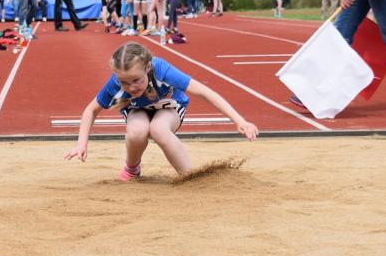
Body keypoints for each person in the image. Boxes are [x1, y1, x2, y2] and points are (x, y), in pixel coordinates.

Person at [64, 41, 258, 180]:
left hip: (170, 107)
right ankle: (132, 169)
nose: (131, 87)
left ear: (148, 68)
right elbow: (91, 110)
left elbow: (203, 92)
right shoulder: (115, 83)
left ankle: (189, 176)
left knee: (158, 129)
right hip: (136, 110)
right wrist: (81, 144)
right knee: (137, 130)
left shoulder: (162, 70)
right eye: (125, 82)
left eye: (136, 80)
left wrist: (239, 121)